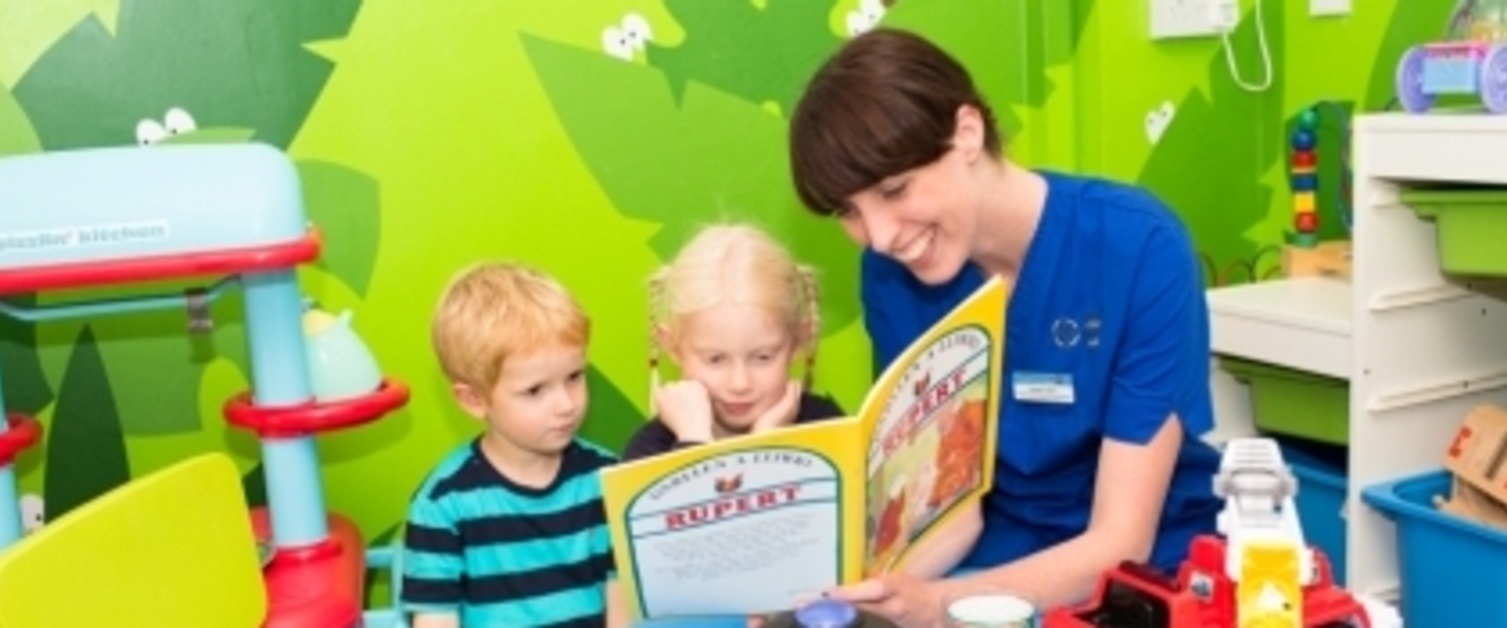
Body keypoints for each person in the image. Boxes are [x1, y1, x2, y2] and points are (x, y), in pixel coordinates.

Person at [787, 27, 1224, 626]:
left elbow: (1122, 540)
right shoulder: (890, 278)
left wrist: (943, 605)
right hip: (987, 563)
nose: (882, 237)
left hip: (1143, 577)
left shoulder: (1140, 249)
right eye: (850, 213)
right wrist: (860, 590)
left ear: (967, 133)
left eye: (895, 189)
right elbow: (944, 504)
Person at [401, 261, 627, 628]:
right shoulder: (443, 504)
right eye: (535, 390)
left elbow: (623, 597)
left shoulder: (609, 478)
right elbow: (435, 617)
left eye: (574, 377)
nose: (567, 404)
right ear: (474, 399)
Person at [622, 222, 844, 461]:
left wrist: (766, 443)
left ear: (798, 342)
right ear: (672, 347)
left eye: (763, 357)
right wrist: (694, 439)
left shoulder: (828, 429)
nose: (740, 384)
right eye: (715, 359)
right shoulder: (649, 452)